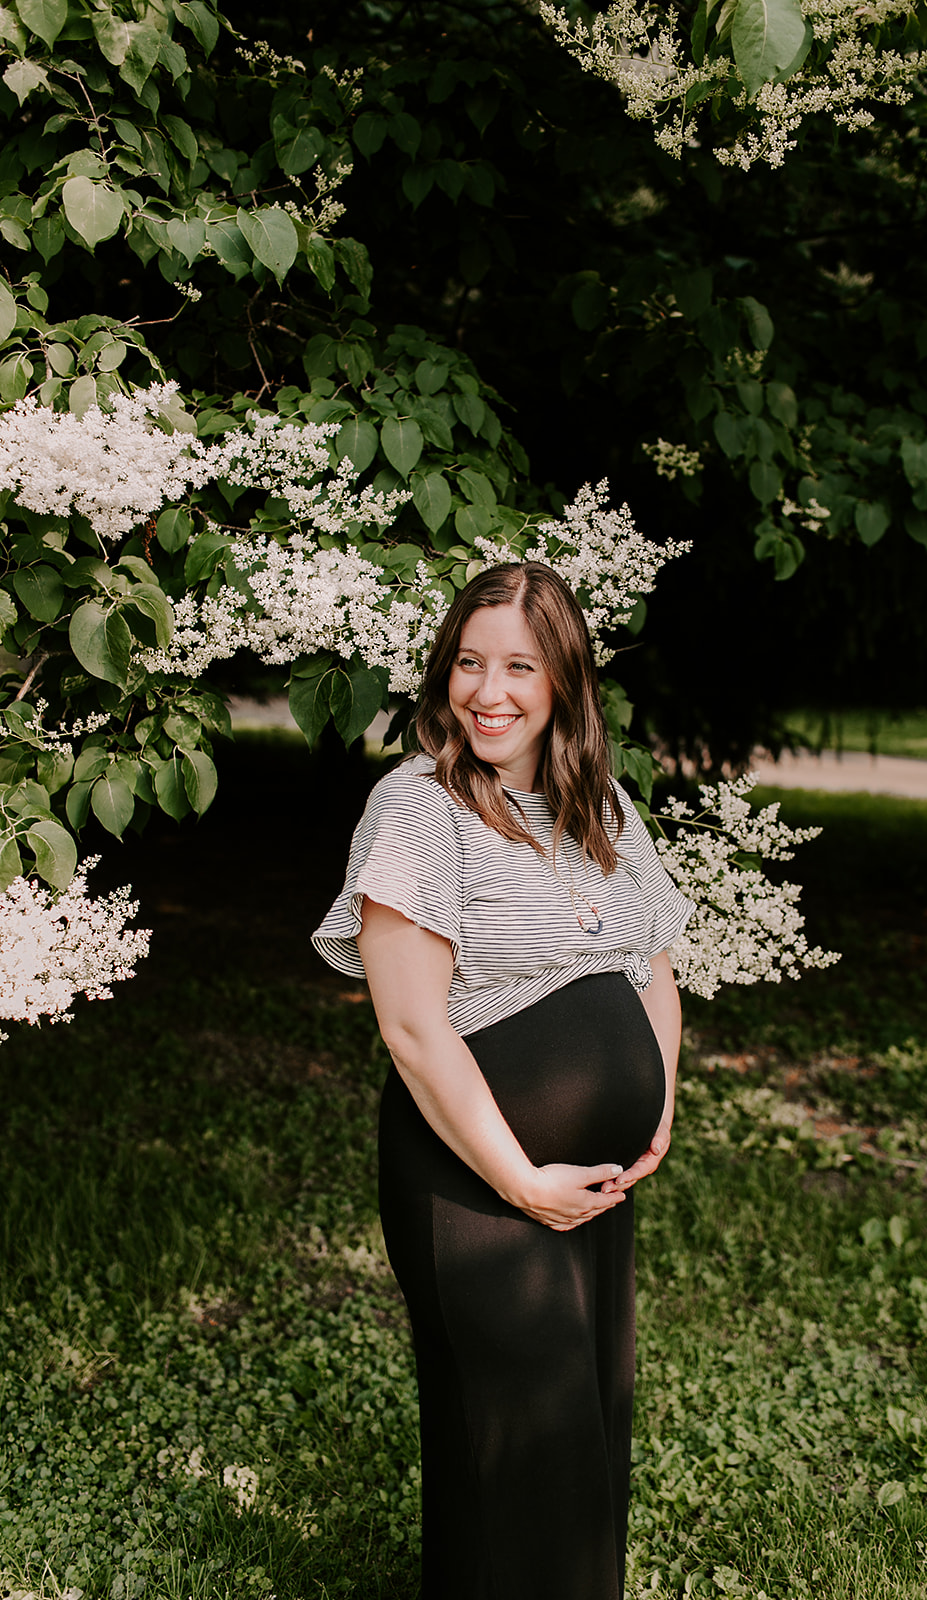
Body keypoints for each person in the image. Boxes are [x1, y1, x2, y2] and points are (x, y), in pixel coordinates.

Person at [312, 561, 693, 1600]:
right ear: (443, 676)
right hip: (476, 1185)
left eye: (519, 665)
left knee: (583, 1435)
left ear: (562, 680)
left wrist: (654, 1100)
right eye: (470, 663)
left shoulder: (599, 806)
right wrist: (521, 1179)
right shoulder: (417, 808)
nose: (490, 690)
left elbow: (650, 962)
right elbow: (411, 1026)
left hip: (596, 1183)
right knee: (532, 1441)